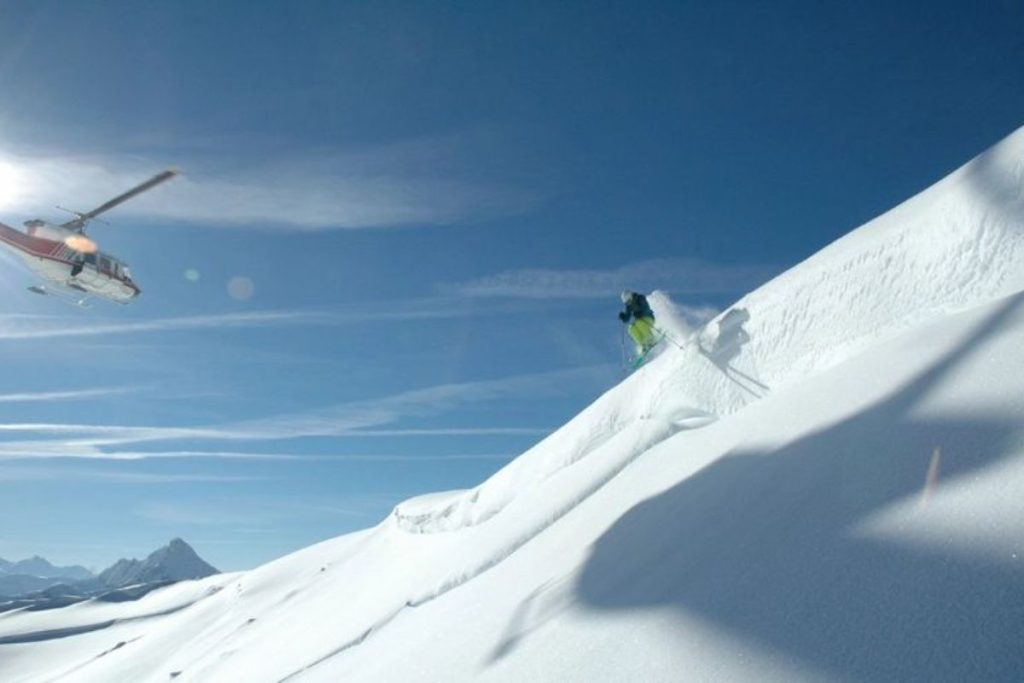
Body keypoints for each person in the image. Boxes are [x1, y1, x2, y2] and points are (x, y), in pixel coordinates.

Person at [618, 290, 658, 354]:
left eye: (629, 301)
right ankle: (643, 344)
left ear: (631, 297)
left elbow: (645, 308)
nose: (628, 303)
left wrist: (640, 313)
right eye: (626, 302)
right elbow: (627, 317)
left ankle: (651, 340)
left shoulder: (640, 298)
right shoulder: (629, 306)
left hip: (648, 318)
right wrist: (623, 317)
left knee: (639, 323)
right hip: (640, 320)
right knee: (631, 329)